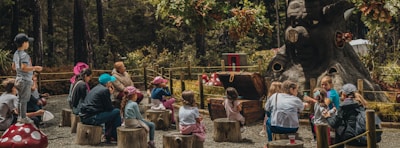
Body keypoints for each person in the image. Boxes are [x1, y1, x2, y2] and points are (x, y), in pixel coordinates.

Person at [79, 73, 121, 143]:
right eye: (111, 82)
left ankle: (109, 135)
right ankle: (115, 136)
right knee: (116, 111)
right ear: (108, 83)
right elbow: (109, 108)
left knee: (111, 113)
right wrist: (110, 94)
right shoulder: (105, 90)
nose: (111, 83)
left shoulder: (96, 88)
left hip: (85, 115)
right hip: (92, 117)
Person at [12, 33, 43, 123]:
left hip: (18, 79)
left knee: (20, 99)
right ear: (24, 43)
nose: (28, 44)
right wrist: (35, 68)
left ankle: (20, 116)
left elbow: (14, 67)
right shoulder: (24, 55)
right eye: (27, 42)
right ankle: (23, 117)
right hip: (25, 80)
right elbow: (24, 67)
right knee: (24, 100)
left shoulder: (16, 54)